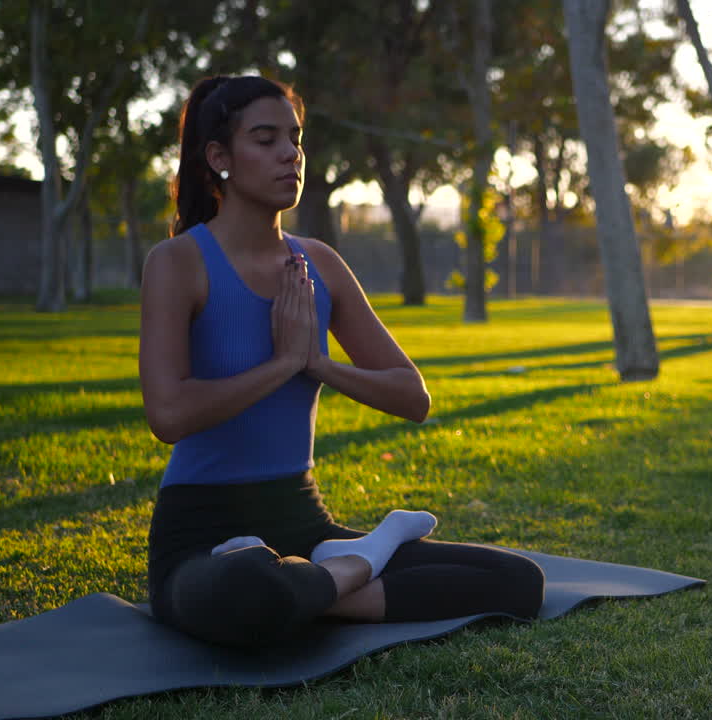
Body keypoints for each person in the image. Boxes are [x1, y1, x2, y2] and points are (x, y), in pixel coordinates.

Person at [139, 75, 544, 648]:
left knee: (517, 582)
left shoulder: (319, 264)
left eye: (295, 139)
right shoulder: (178, 262)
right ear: (219, 158)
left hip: (303, 523)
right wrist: (281, 365)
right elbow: (169, 415)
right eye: (266, 139)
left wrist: (318, 365)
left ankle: (309, 584)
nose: (290, 155)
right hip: (201, 534)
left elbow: (413, 397)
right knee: (248, 587)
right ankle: (360, 561)